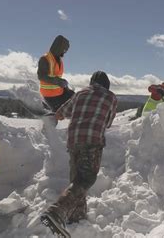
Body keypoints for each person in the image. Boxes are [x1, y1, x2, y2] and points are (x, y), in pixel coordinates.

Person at [40, 71, 117, 237]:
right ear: (107, 84)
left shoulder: (80, 94)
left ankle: (76, 218)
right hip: (92, 143)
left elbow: (61, 113)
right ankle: (56, 212)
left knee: (76, 180)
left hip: (74, 141)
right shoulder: (111, 97)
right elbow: (109, 123)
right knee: (86, 179)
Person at [38, 35, 75, 112]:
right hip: (49, 96)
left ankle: (54, 113)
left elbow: (56, 76)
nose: (64, 52)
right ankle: (51, 111)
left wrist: (64, 85)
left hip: (59, 93)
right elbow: (41, 76)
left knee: (76, 98)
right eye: (64, 49)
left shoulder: (59, 61)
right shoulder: (45, 59)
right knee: (71, 105)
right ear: (59, 47)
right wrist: (58, 81)